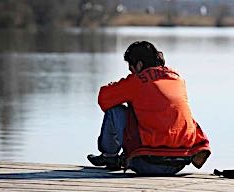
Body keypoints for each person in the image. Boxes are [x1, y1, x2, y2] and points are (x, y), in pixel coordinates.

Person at [88, 41, 211, 175]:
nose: (131, 72)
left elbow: (104, 99)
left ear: (139, 65)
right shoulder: (177, 79)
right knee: (178, 113)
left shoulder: (137, 81)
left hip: (147, 163)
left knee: (115, 111)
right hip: (179, 163)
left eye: (131, 68)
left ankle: (109, 157)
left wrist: (124, 84)